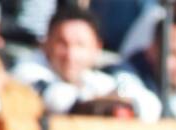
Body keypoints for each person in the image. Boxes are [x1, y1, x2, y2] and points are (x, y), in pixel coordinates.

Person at [12, 7, 151, 116]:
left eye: (80, 45)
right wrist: (109, 105)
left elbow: (150, 106)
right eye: (62, 43)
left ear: (97, 48)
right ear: (46, 44)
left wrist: (123, 102)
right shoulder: (26, 70)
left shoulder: (96, 78)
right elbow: (60, 100)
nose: (70, 54)